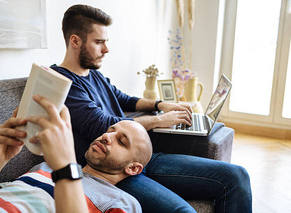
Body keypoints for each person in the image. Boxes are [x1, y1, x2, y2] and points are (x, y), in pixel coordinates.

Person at [50, 4, 253, 213]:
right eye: (99, 42)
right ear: (75, 40)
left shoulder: (93, 74)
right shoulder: (62, 82)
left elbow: (124, 99)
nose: (106, 49)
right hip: (112, 170)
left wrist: (161, 105)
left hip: (141, 158)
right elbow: (101, 125)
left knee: (237, 176)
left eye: (106, 42)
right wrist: (159, 120)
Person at [0, 95, 152, 213]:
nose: (106, 136)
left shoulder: (122, 203)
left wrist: (66, 168)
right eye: (109, 130)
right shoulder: (44, 167)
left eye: (121, 141)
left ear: (133, 168)